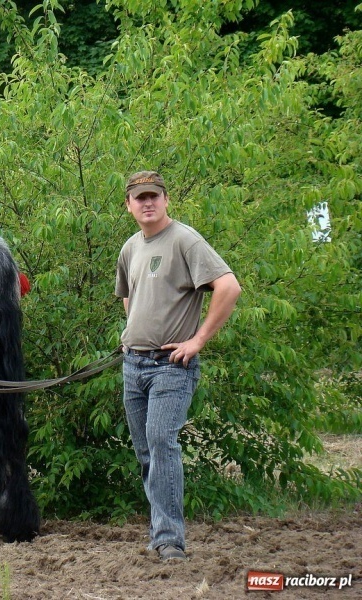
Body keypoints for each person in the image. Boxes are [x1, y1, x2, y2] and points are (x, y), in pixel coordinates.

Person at [115, 171, 241, 561]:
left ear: (166, 200)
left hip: (172, 366)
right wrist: (134, 333)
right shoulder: (130, 248)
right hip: (133, 365)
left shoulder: (185, 239)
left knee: (161, 442)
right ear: (129, 205)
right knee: (146, 453)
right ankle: (159, 533)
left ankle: (170, 539)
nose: (147, 203)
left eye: (154, 196)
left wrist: (197, 340)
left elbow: (229, 287)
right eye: (140, 198)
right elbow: (129, 298)